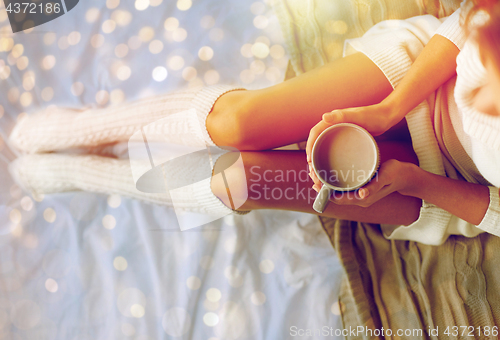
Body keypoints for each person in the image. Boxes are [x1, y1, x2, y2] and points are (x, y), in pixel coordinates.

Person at [8, 0, 499, 245]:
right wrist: (389, 109)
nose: (480, 98)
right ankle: (93, 128)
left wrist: (417, 180)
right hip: (418, 75)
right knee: (235, 124)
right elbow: (465, 24)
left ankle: (95, 177)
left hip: (443, 180)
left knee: (236, 184)